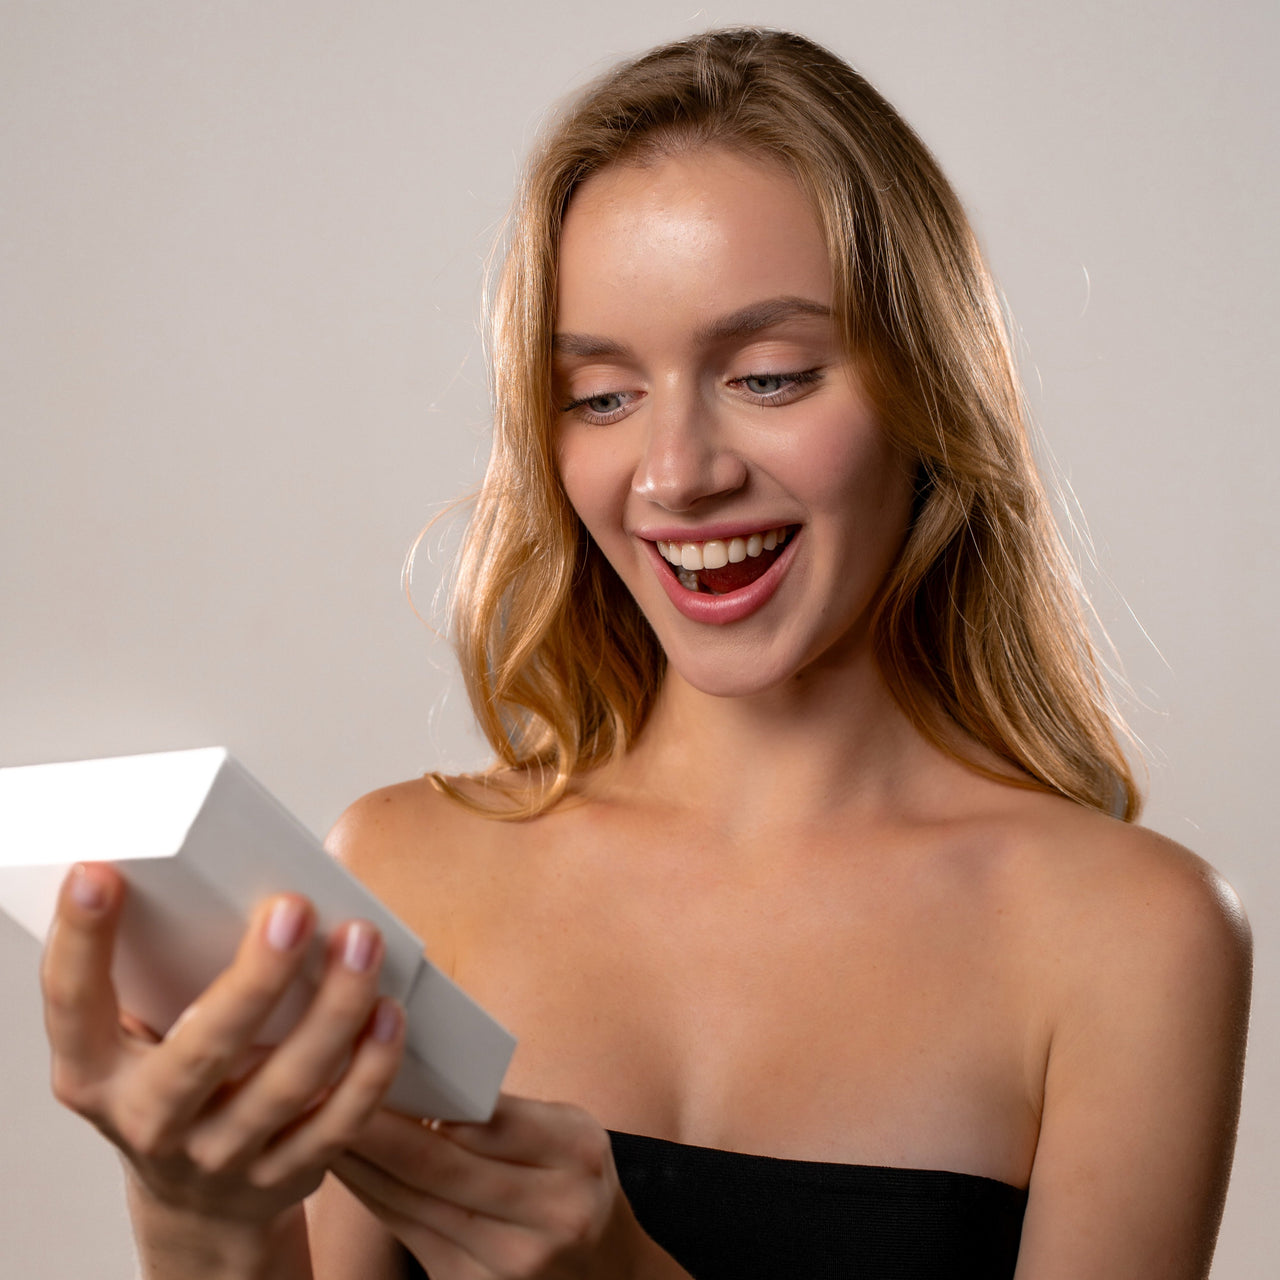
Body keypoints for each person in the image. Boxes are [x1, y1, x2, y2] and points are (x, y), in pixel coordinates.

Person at [39, 28, 1251, 1280]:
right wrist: (200, 1215)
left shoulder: (1130, 938)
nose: (676, 475)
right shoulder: (408, 870)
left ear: (925, 388)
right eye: (602, 396)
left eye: (769, 376)